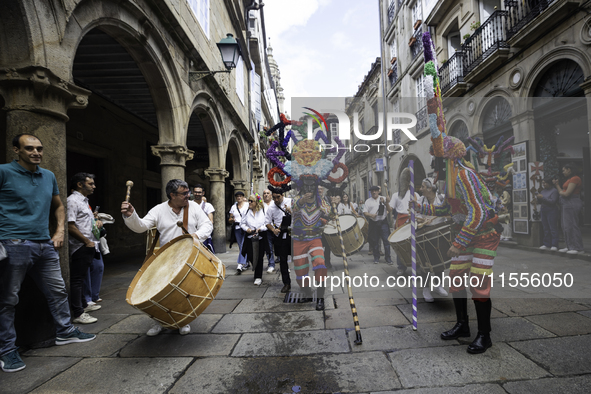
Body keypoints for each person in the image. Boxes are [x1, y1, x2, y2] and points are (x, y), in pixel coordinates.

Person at [0, 134, 96, 373]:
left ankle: (65, 332)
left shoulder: (48, 175)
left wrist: (60, 231)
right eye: (29, 148)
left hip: (44, 244)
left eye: (40, 148)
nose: (36, 152)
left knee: (58, 290)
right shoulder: (3, 172)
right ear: (16, 150)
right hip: (13, 243)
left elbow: (59, 205)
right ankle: (7, 350)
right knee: (7, 299)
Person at [410, 135, 501, 354]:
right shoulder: (450, 180)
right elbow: (448, 210)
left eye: (437, 161)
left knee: (479, 284)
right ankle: (463, 325)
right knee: (456, 279)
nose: (434, 167)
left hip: (484, 235)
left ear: (449, 159)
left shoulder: (464, 176)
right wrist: (421, 208)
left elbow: (477, 212)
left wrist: (459, 244)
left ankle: (484, 335)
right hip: (467, 233)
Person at [121, 179, 213, 336]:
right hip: (167, 257)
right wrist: (131, 215)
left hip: (189, 255)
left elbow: (207, 225)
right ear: (172, 195)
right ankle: (159, 322)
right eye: (184, 193)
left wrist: (195, 236)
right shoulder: (159, 209)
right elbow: (141, 226)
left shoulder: (194, 207)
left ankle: (184, 320)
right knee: (160, 291)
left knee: (185, 290)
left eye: (188, 192)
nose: (188, 195)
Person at [67, 173, 103, 324]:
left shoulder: (84, 201)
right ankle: (78, 313)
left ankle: (83, 305)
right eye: (90, 184)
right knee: (77, 280)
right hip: (80, 245)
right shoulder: (73, 201)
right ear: (80, 185)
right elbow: (70, 225)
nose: (94, 186)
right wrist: (86, 241)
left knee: (81, 279)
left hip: (89, 244)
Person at [292, 176, 332, 310]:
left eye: (311, 186)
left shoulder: (321, 200)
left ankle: (320, 297)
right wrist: (302, 200)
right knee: (300, 269)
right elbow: (293, 208)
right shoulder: (297, 199)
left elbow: (328, 211)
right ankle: (307, 291)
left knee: (320, 263)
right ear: (302, 187)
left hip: (315, 239)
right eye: (306, 186)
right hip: (299, 239)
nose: (309, 189)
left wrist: (326, 203)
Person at [416, 178, 448, 302]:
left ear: (430, 188)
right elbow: (415, 214)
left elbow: (448, 213)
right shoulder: (420, 200)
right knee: (426, 262)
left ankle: (438, 285)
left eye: (423, 187)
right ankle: (426, 288)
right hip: (424, 231)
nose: (420, 189)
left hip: (440, 232)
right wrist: (421, 220)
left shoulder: (442, 198)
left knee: (440, 261)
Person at [389, 171, 420, 274]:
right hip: (401, 222)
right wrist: (386, 202)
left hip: (413, 221)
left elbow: (420, 209)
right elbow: (390, 209)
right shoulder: (395, 195)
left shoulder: (415, 195)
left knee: (416, 244)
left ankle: (418, 266)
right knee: (401, 245)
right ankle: (401, 267)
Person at [553, 163, 584, 254]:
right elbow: (562, 192)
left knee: (572, 225)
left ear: (569, 169)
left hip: (572, 201)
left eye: (564, 170)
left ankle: (577, 247)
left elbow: (566, 193)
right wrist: (558, 186)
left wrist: (562, 192)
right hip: (566, 203)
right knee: (565, 226)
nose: (563, 172)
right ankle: (569, 245)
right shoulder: (570, 179)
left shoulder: (575, 178)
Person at [265, 190, 293, 293]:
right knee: (282, 260)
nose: (276, 200)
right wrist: (273, 230)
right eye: (274, 198)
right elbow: (267, 222)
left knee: (299, 259)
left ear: (283, 195)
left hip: (293, 234)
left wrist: (290, 211)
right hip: (280, 234)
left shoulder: (291, 202)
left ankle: (303, 282)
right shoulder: (271, 207)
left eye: (278, 197)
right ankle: (286, 283)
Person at [240, 194, 269, 286]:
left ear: (256, 202)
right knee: (251, 256)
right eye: (248, 200)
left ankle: (258, 276)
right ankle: (255, 267)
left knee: (259, 257)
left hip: (260, 237)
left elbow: (268, 223)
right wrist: (247, 229)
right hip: (250, 238)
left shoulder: (263, 211)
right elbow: (242, 223)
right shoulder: (246, 211)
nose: (249, 202)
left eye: (251, 201)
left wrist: (261, 228)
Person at [364, 186, 394, 265]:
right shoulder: (368, 201)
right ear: (371, 192)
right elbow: (365, 212)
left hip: (383, 222)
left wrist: (386, 202)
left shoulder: (383, 198)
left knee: (386, 241)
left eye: (375, 191)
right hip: (373, 223)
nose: (374, 192)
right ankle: (376, 257)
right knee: (375, 241)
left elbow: (390, 209)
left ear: (378, 191)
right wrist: (371, 215)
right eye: (372, 191)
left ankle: (388, 258)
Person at [536, 177, 559, 251]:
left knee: (552, 227)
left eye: (545, 183)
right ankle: (547, 243)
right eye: (543, 183)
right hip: (543, 210)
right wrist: (538, 198)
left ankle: (554, 244)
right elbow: (540, 201)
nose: (543, 184)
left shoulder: (554, 191)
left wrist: (542, 198)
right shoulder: (543, 191)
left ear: (549, 183)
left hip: (551, 210)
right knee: (545, 228)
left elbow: (553, 201)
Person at [229, 191, 249, 273]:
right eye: (237, 196)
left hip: (246, 228)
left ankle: (240, 264)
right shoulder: (233, 207)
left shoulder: (247, 205)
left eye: (240, 196)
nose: (239, 197)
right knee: (241, 246)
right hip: (237, 228)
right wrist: (231, 220)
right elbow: (230, 218)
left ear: (243, 197)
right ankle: (246, 262)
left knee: (244, 245)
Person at [192, 184, 215, 253]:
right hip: (192, 233)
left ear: (203, 193)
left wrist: (206, 231)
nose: (197, 194)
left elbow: (211, 220)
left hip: (203, 235)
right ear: (193, 192)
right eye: (195, 192)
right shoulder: (189, 204)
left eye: (199, 192)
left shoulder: (208, 206)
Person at [262, 189, 276, 273]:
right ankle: (271, 264)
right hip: (266, 229)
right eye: (264, 193)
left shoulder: (275, 204)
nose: (266, 195)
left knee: (279, 248)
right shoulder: (261, 205)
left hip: (276, 228)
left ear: (271, 195)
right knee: (269, 248)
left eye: (268, 193)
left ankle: (283, 264)